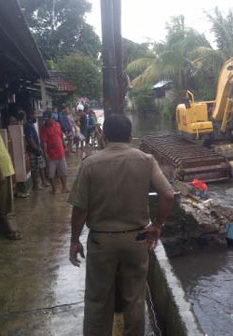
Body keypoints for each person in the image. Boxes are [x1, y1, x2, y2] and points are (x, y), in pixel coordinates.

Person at [68, 114, 175, 335]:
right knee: (134, 299)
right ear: (130, 136)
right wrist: (157, 225)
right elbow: (168, 196)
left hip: (101, 241)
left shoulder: (90, 164)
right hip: (136, 240)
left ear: (103, 135)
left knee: (98, 300)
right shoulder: (146, 160)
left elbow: (80, 208)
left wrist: (74, 240)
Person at [0, 102, 21, 240]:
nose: (0, 115)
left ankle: (4, 229)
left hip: (1, 173)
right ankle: (8, 231)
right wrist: (0, 173)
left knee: (3, 203)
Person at [40, 111, 69, 194]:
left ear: (51, 118)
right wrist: (45, 153)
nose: (46, 121)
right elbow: (44, 142)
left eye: (47, 119)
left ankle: (64, 188)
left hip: (60, 152)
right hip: (51, 155)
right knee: (51, 174)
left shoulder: (58, 125)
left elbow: (61, 136)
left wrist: (65, 147)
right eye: (45, 119)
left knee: (63, 171)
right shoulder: (43, 129)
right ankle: (54, 189)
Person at [23, 110, 49, 190]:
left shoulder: (31, 124)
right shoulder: (28, 125)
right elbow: (30, 139)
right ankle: (36, 184)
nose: (36, 116)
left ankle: (43, 182)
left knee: (41, 165)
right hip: (33, 150)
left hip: (37, 148)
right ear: (30, 115)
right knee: (35, 168)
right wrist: (36, 149)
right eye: (34, 114)